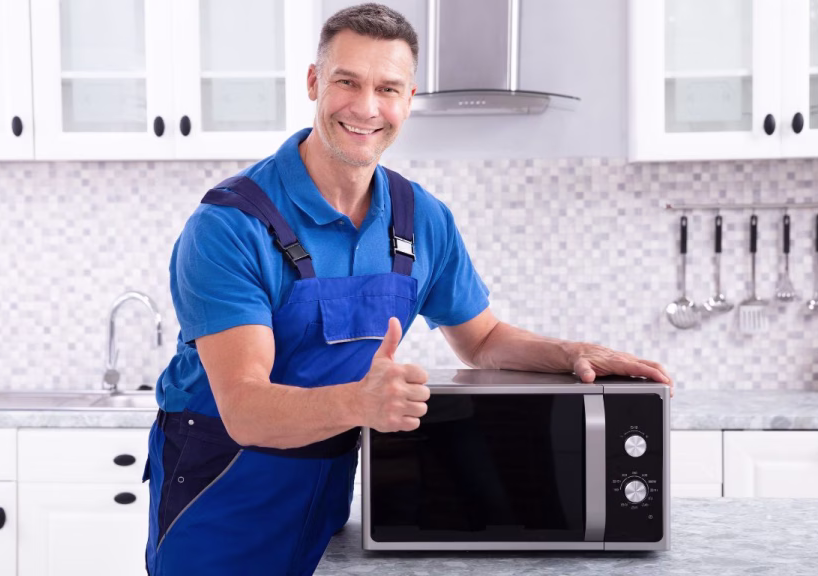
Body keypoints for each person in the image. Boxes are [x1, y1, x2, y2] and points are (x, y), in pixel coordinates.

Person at [143, 4, 672, 575]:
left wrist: (569, 354)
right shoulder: (230, 226)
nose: (366, 108)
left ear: (408, 98)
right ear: (315, 83)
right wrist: (360, 402)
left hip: (324, 511)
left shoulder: (421, 219)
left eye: (387, 88)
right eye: (347, 81)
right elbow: (245, 408)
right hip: (219, 504)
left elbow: (484, 339)